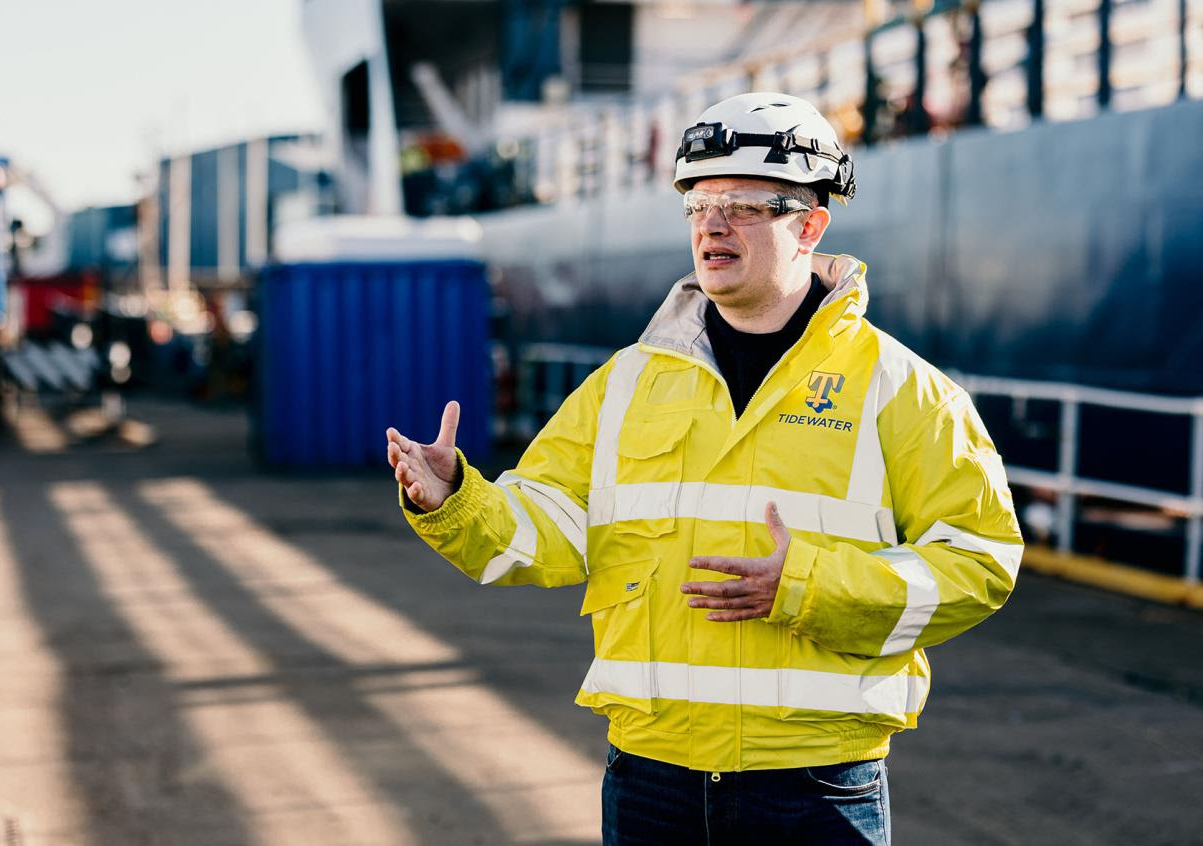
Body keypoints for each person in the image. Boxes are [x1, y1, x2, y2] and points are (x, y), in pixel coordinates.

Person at [386, 91, 1022, 845]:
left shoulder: (902, 390)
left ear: (810, 226)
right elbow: (545, 527)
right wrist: (455, 498)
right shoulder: (625, 383)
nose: (713, 224)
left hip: (814, 785)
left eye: (745, 205)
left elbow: (979, 562)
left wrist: (807, 585)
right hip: (652, 781)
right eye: (699, 203)